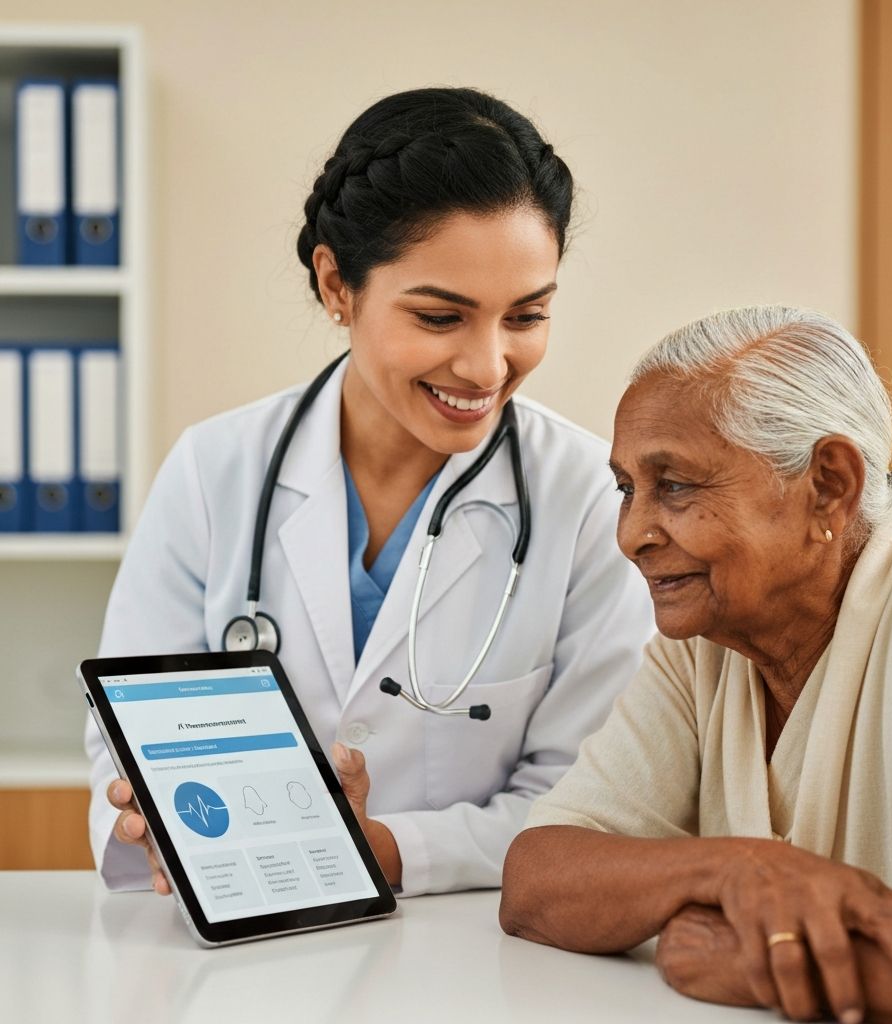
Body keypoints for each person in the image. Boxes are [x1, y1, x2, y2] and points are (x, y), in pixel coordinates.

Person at [86, 87, 654, 898]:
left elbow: (588, 805)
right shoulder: (216, 471)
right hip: (237, 957)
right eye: (440, 317)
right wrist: (148, 821)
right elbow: (125, 739)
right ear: (336, 285)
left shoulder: (590, 501)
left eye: (525, 316)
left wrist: (387, 848)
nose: (488, 366)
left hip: (483, 964)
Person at [500, 306, 892, 1023]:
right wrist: (738, 867)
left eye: (676, 486)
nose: (632, 535)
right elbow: (539, 879)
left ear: (829, 485)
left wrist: (758, 959)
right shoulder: (703, 649)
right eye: (626, 488)